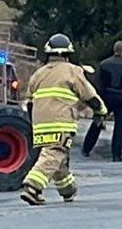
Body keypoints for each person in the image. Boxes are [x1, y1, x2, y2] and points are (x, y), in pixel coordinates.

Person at [20, 33, 106, 206]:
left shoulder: (38, 74)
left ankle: (68, 191)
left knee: (58, 159)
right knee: (55, 153)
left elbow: (29, 102)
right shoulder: (73, 71)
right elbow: (88, 94)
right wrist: (100, 109)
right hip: (61, 122)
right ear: (68, 53)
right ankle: (32, 187)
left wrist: (34, 125)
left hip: (39, 124)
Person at [84, 41, 122, 162]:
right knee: (119, 125)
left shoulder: (104, 64)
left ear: (114, 50)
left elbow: (97, 82)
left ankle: (87, 148)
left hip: (107, 96)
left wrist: (101, 95)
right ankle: (116, 154)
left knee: (98, 121)